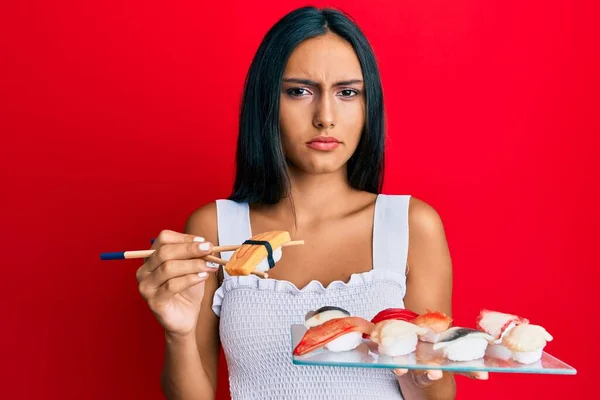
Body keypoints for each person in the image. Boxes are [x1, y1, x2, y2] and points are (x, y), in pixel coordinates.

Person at [136, 6, 487, 400]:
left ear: (368, 106)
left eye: (347, 92)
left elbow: (435, 391)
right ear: (267, 101)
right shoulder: (214, 229)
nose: (325, 117)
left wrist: (421, 378)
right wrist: (177, 332)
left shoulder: (410, 224)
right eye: (299, 91)